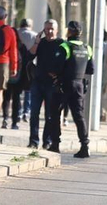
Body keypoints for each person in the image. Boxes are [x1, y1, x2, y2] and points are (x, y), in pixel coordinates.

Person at [40, 20, 94, 158]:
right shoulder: (87, 48)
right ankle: (85, 145)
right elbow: (91, 69)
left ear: (69, 32)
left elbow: (55, 68)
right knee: (78, 116)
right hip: (79, 85)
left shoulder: (65, 46)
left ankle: (55, 145)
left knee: (55, 114)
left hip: (63, 85)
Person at [28, 20, 62, 150]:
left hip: (52, 85)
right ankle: (33, 141)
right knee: (34, 113)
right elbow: (30, 55)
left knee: (49, 115)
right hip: (38, 82)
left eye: (52, 29)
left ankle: (47, 141)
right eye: (47, 29)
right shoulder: (41, 43)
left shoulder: (61, 44)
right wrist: (36, 41)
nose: (49, 31)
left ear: (57, 30)